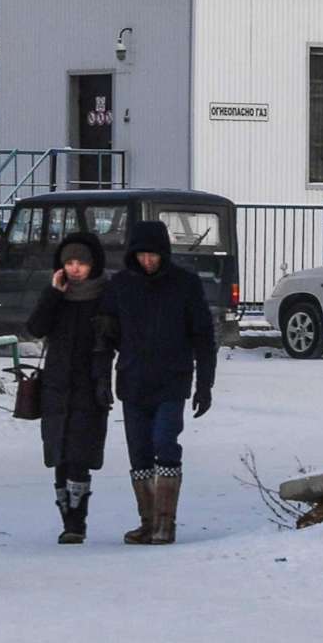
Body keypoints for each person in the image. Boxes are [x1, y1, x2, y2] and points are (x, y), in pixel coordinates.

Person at [100, 219, 216, 545]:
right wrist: (102, 380)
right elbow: (105, 338)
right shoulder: (120, 286)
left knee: (165, 443)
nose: (147, 261)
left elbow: (203, 337)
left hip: (172, 381)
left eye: (153, 255)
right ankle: (148, 522)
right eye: (141, 255)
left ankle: (166, 524)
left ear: (164, 253)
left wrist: (205, 385)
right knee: (139, 452)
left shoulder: (185, 284)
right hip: (132, 381)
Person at [22, 228, 117, 544]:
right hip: (56, 384)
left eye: (82, 262)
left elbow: (117, 337)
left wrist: (104, 371)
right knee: (59, 454)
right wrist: (53, 293)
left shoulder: (106, 295)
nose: (76, 268)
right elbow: (35, 328)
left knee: (80, 454)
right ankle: (67, 520)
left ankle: (77, 522)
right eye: (70, 262)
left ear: (94, 264)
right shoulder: (58, 294)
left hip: (90, 385)